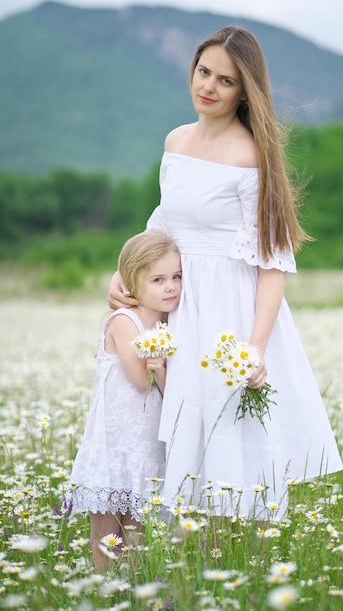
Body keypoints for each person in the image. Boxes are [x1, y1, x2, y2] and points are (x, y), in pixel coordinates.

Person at [109, 26, 343, 520]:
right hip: (176, 299)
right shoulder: (175, 140)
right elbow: (164, 222)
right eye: (203, 72)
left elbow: (273, 261)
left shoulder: (251, 154)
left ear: (244, 91)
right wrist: (125, 270)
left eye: (226, 80)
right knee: (173, 421)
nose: (209, 87)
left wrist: (253, 348)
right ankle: (178, 559)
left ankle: (227, 556)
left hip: (229, 314)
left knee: (226, 436)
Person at [64, 230, 182, 569]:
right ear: (131, 282)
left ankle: (130, 591)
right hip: (114, 443)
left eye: (176, 277)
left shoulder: (168, 324)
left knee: (135, 533)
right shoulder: (124, 322)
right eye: (158, 279)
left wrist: (160, 369)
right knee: (106, 531)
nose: (171, 286)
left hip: (145, 444)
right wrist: (157, 368)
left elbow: (168, 386)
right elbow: (138, 380)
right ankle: (103, 585)